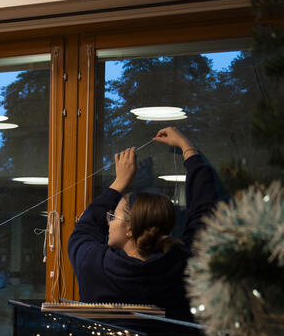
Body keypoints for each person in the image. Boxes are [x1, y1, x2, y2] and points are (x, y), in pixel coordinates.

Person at [67, 127, 221, 320]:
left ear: (129, 229)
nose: (108, 223)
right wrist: (188, 148)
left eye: (113, 217)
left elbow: (84, 229)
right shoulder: (186, 264)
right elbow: (204, 211)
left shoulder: (93, 264)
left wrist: (120, 182)